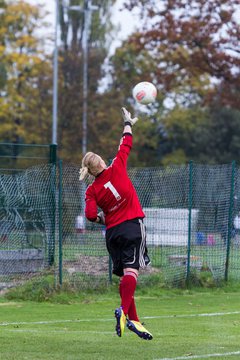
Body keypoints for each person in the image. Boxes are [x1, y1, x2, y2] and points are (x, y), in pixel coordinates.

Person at [79, 107, 153, 340]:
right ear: (101, 161)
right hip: (132, 226)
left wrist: (105, 217)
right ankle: (123, 312)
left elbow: (90, 215)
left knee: (124, 276)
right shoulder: (117, 166)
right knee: (133, 271)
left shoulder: (91, 190)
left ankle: (135, 321)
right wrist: (128, 123)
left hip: (112, 234)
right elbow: (126, 144)